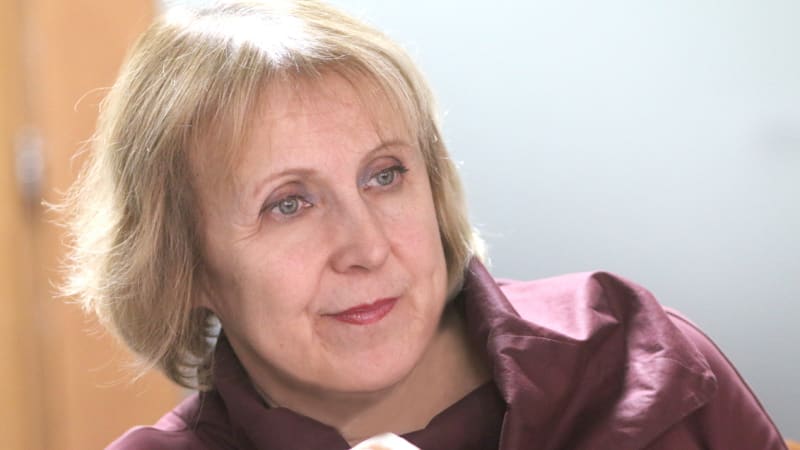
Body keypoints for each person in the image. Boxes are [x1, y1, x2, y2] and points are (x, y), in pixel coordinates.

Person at [60, 1, 788, 449]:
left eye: (384, 175)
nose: (367, 246)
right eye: (288, 203)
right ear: (184, 266)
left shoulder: (638, 355)